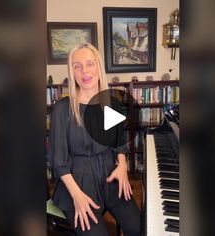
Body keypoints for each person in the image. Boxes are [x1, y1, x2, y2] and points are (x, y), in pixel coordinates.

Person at [49, 43, 141, 236]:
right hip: (77, 184)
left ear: (99, 67)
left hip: (111, 177)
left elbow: (119, 142)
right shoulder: (62, 109)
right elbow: (58, 162)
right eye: (77, 65)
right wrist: (77, 196)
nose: (85, 71)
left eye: (90, 64)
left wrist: (122, 165)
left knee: (140, 229)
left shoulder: (112, 104)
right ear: (72, 71)